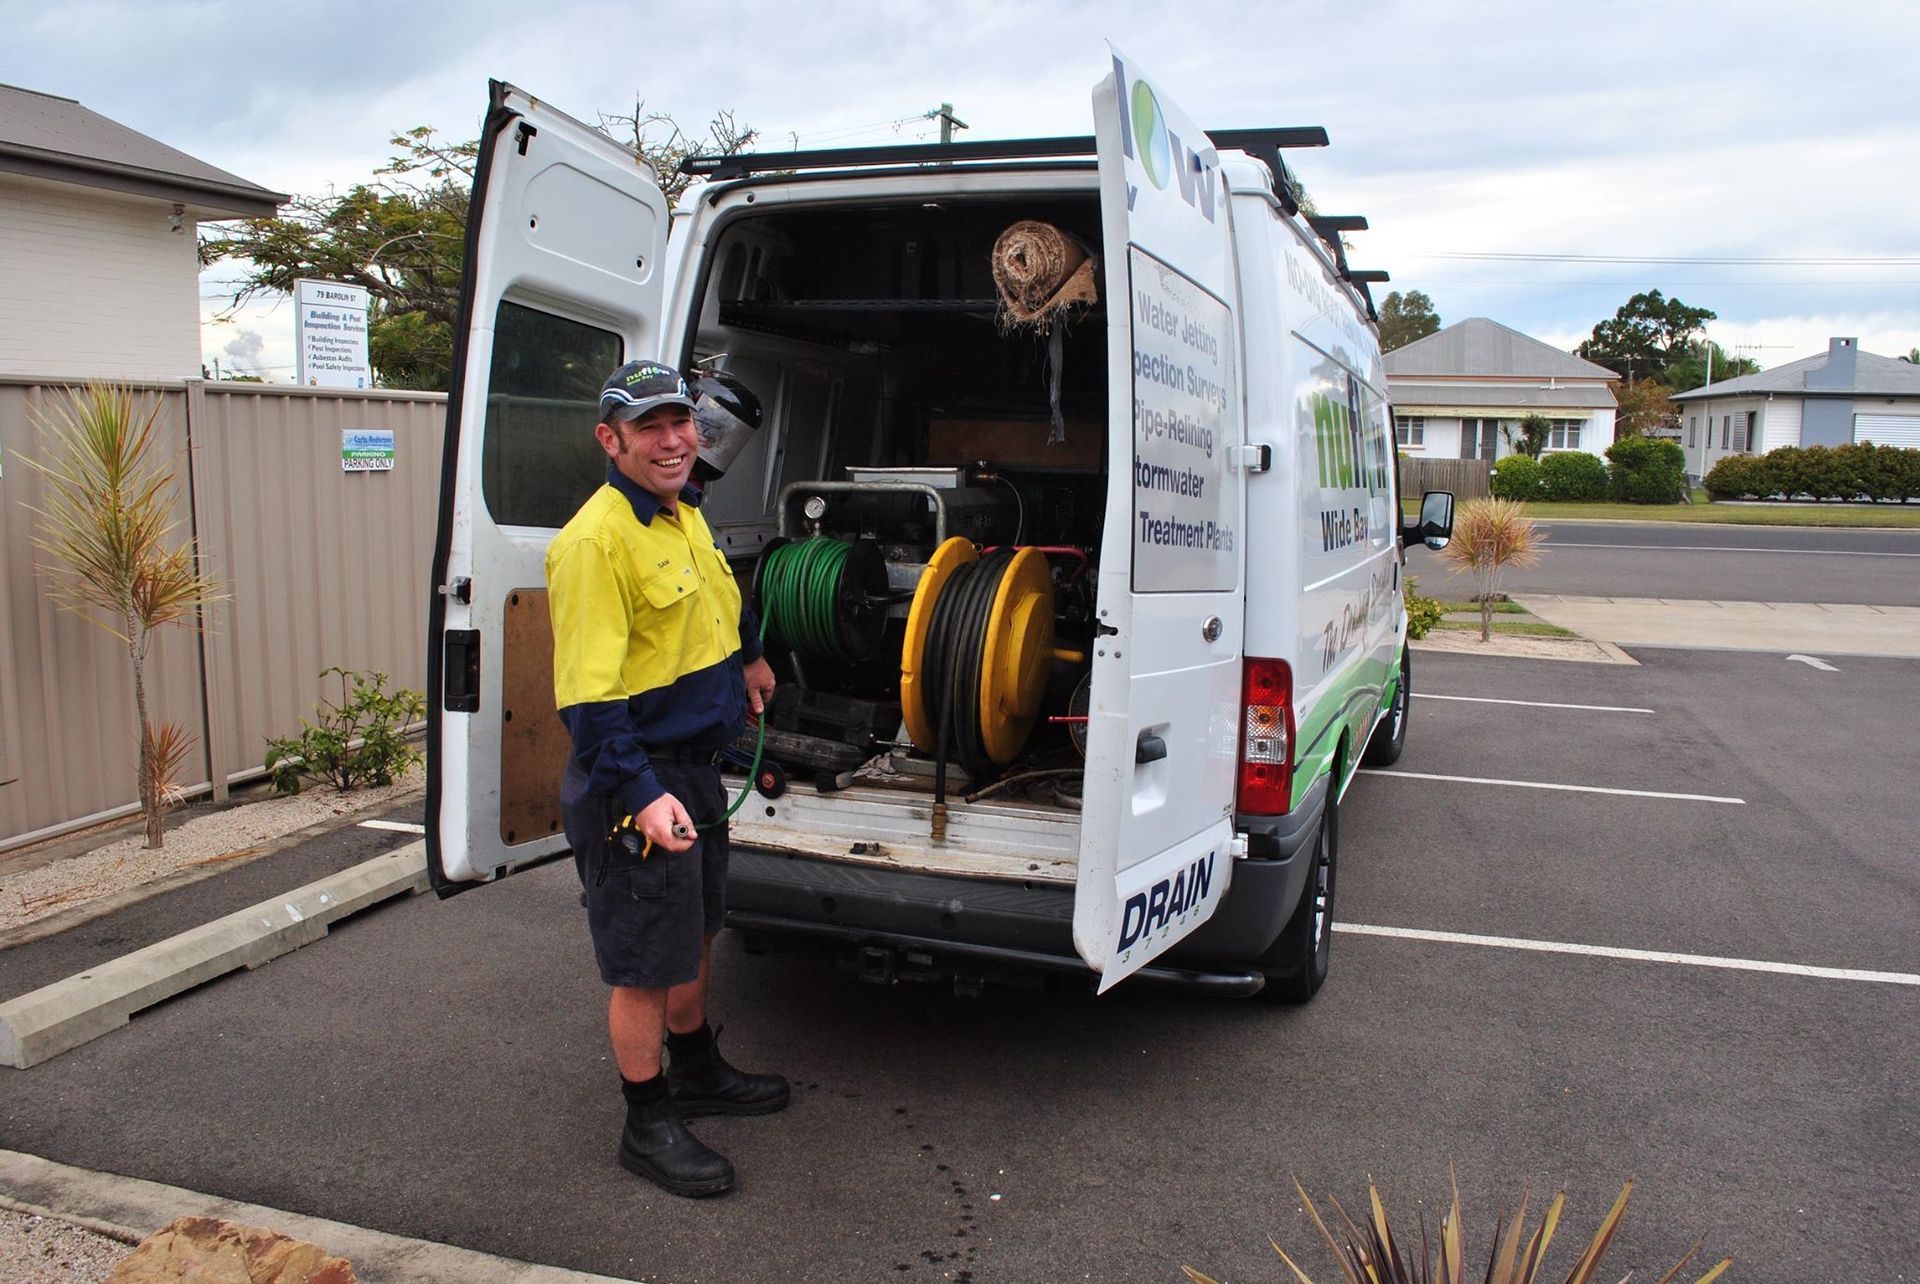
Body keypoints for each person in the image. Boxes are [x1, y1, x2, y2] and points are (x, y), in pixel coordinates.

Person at [546, 359, 785, 1198]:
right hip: (635, 779)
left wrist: (750, 657)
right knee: (646, 959)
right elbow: (588, 698)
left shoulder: (680, 515)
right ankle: (645, 1123)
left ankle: (695, 1068)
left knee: (694, 930)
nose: (673, 439)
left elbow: (718, 599)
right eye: (648, 427)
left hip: (691, 770)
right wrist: (642, 795)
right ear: (610, 440)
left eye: (680, 421)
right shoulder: (595, 541)